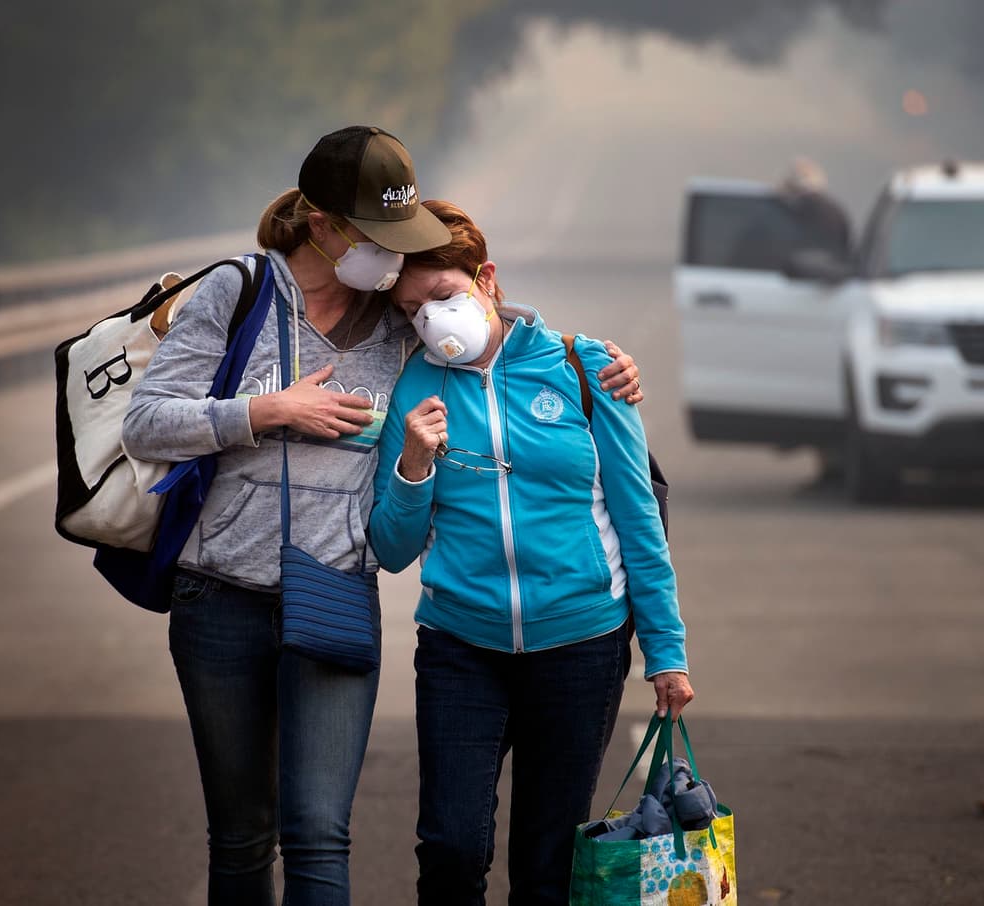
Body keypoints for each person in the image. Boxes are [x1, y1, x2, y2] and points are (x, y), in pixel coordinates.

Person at [121, 127, 643, 906]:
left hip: (333, 591)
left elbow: (477, 319)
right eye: (378, 235)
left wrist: (592, 357)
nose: (395, 256)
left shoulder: (397, 322)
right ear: (324, 226)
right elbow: (146, 424)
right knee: (239, 839)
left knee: (319, 833)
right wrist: (265, 410)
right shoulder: (239, 292)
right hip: (218, 595)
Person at [369, 200, 693, 906]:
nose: (430, 318)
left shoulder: (587, 368)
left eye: (443, 295)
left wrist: (666, 650)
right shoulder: (414, 389)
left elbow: (639, 517)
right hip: (462, 646)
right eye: (412, 309)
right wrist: (414, 467)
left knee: (548, 865)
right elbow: (391, 551)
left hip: (582, 647)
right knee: (452, 849)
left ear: (487, 279)